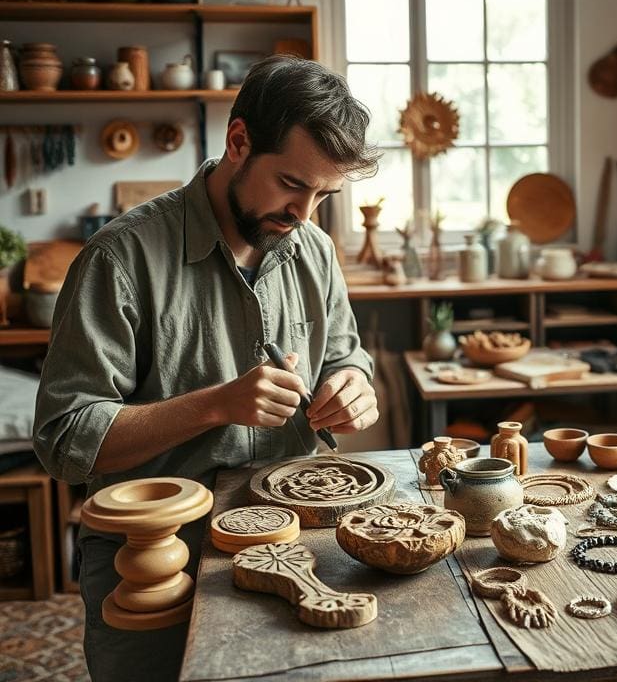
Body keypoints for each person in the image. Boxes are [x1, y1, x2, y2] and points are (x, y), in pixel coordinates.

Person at [33, 56, 380, 682]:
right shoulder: (121, 257)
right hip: (158, 556)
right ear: (239, 141)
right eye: (291, 184)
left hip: (296, 545)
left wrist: (355, 385)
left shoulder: (316, 250)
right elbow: (65, 440)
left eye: (324, 195)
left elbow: (346, 354)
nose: (304, 214)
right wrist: (215, 405)